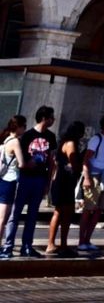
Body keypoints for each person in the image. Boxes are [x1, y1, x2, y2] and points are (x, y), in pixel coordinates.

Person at [1, 104, 56, 258]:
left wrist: (48, 182)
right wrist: (27, 163)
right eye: (51, 117)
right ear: (44, 118)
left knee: (32, 214)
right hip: (24, 178)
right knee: (15, 213)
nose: (53, 120)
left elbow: (51, 160)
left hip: (40, 178)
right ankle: (8, 245)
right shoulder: (27, 135)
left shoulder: (50, 137)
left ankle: (27, 245)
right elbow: (18, 158)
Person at [78, 112, 104, 252]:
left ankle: (88, 239)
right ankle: (81, 240)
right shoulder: (96, 139)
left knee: (98, 210)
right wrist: (87, 177)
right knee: (88, 209)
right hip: (94, 176)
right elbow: (86, 158)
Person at [45, 121, 84, 257]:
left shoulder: (64, 143)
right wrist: (81, 162)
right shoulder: (70, 144)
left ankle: (62, 244)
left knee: (65, 212)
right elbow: (74, 163)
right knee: (61, 212)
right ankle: (52, 243)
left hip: (65, 181)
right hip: (64, 182)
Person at [0, 116, 26, 260]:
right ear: (18, 127)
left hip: (1, 180)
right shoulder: (15, 141)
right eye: (24, 126)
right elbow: (21, 163)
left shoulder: (5, 139)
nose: (25, 129)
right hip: (9, 181)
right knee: (3, 218)